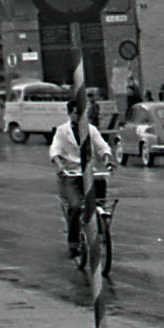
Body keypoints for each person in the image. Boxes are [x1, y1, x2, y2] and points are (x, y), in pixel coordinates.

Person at [49, 90, 115, 258]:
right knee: (76, 206)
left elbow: (102, 146)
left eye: (83, 113)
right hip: (71, 175)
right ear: (70, 113)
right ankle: (73, 243)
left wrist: (107, 159)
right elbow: (55, 151)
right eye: (76, 113)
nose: (80, 117)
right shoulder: (62, 131)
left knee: (100, 199)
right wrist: (60, 166)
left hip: (89, 173)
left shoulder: (90, 129)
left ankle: (100, 229)